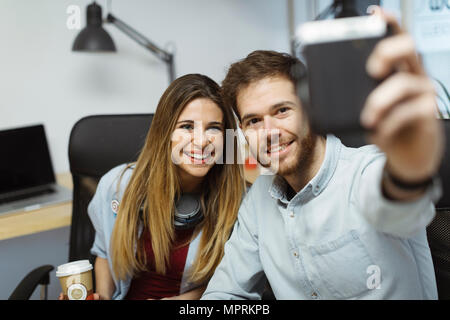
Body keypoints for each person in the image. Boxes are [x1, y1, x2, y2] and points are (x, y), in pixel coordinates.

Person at [201, 8, 444, 300]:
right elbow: (225, 294)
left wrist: (409, 165)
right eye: (254, 121)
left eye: (282, 111)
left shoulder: (366, 171)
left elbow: (401, 207)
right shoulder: (259, 200)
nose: (269, 132)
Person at [71, 74, 245, 300]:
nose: (201, 142)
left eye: (213, 128)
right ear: (165, 133)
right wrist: (102, 297)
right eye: (187, 127)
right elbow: (104, 252)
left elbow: (236, 281)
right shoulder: (117, 185)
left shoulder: (240, 202)